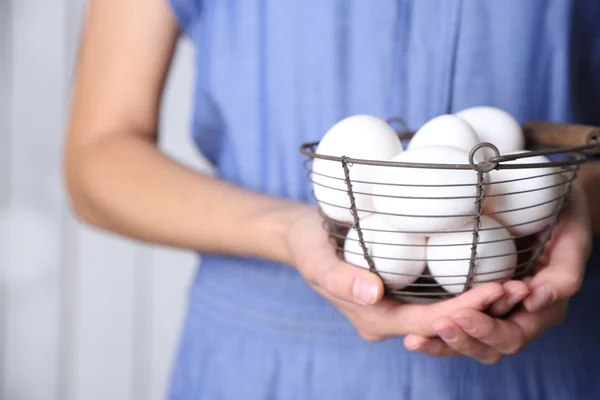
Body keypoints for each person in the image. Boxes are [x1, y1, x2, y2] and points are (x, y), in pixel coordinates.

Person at [63, 0, 600, 399]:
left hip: (554, 350)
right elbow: (97, 159)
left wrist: (575, 200)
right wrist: (290, 230)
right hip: (267, 367)